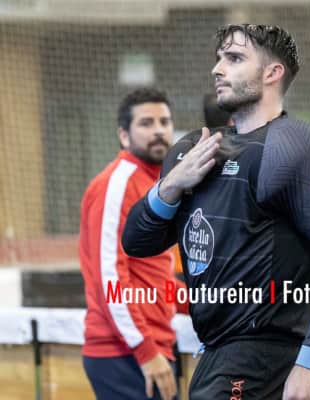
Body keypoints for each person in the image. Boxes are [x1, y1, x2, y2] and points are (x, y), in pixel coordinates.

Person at [122, 25, 310, 400]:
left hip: (263, 359)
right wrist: (170, 186)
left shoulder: (292, 143)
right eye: (219, 58)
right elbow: (137, 242)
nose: (217, 69)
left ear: (272, 73)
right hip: (215, 356)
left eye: (235, 59)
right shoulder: (194, 149)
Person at [79, 87, 187, 400]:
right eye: (146, 123)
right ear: (124, 136)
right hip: (123, 353)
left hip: (152, 346)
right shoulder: (118, 184)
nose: (158, 130)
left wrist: (208, 301)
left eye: (164, 122)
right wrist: (145, 351)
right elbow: (110, 278)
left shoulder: (157, 185)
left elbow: (154, 279)